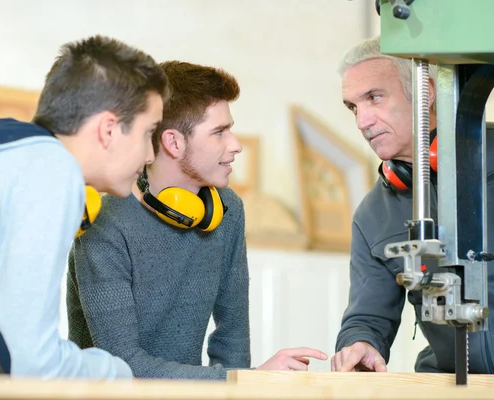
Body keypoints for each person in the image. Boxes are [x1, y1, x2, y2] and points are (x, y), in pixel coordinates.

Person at [67, 61, 327, 380]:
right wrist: (246, 378)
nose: (235, 145)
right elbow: (122, 365)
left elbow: (232, 343)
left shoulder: (227, 210)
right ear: (173, 143)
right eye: (219, 132)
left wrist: (244, 383)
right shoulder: (104, 225)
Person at [0, 35, 169, 378]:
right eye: (149, 132)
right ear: (108, 129)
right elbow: (34, 364)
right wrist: (118, 374)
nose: (149, 155)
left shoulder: (5, 155)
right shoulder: (51, 170)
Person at [331, 36, 494, 374]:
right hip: (450, 384)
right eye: (353, 107)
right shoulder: (372, 214)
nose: (363, 121)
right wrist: (360, 342)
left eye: (374, 97)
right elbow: (367, 317)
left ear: (425, 92)